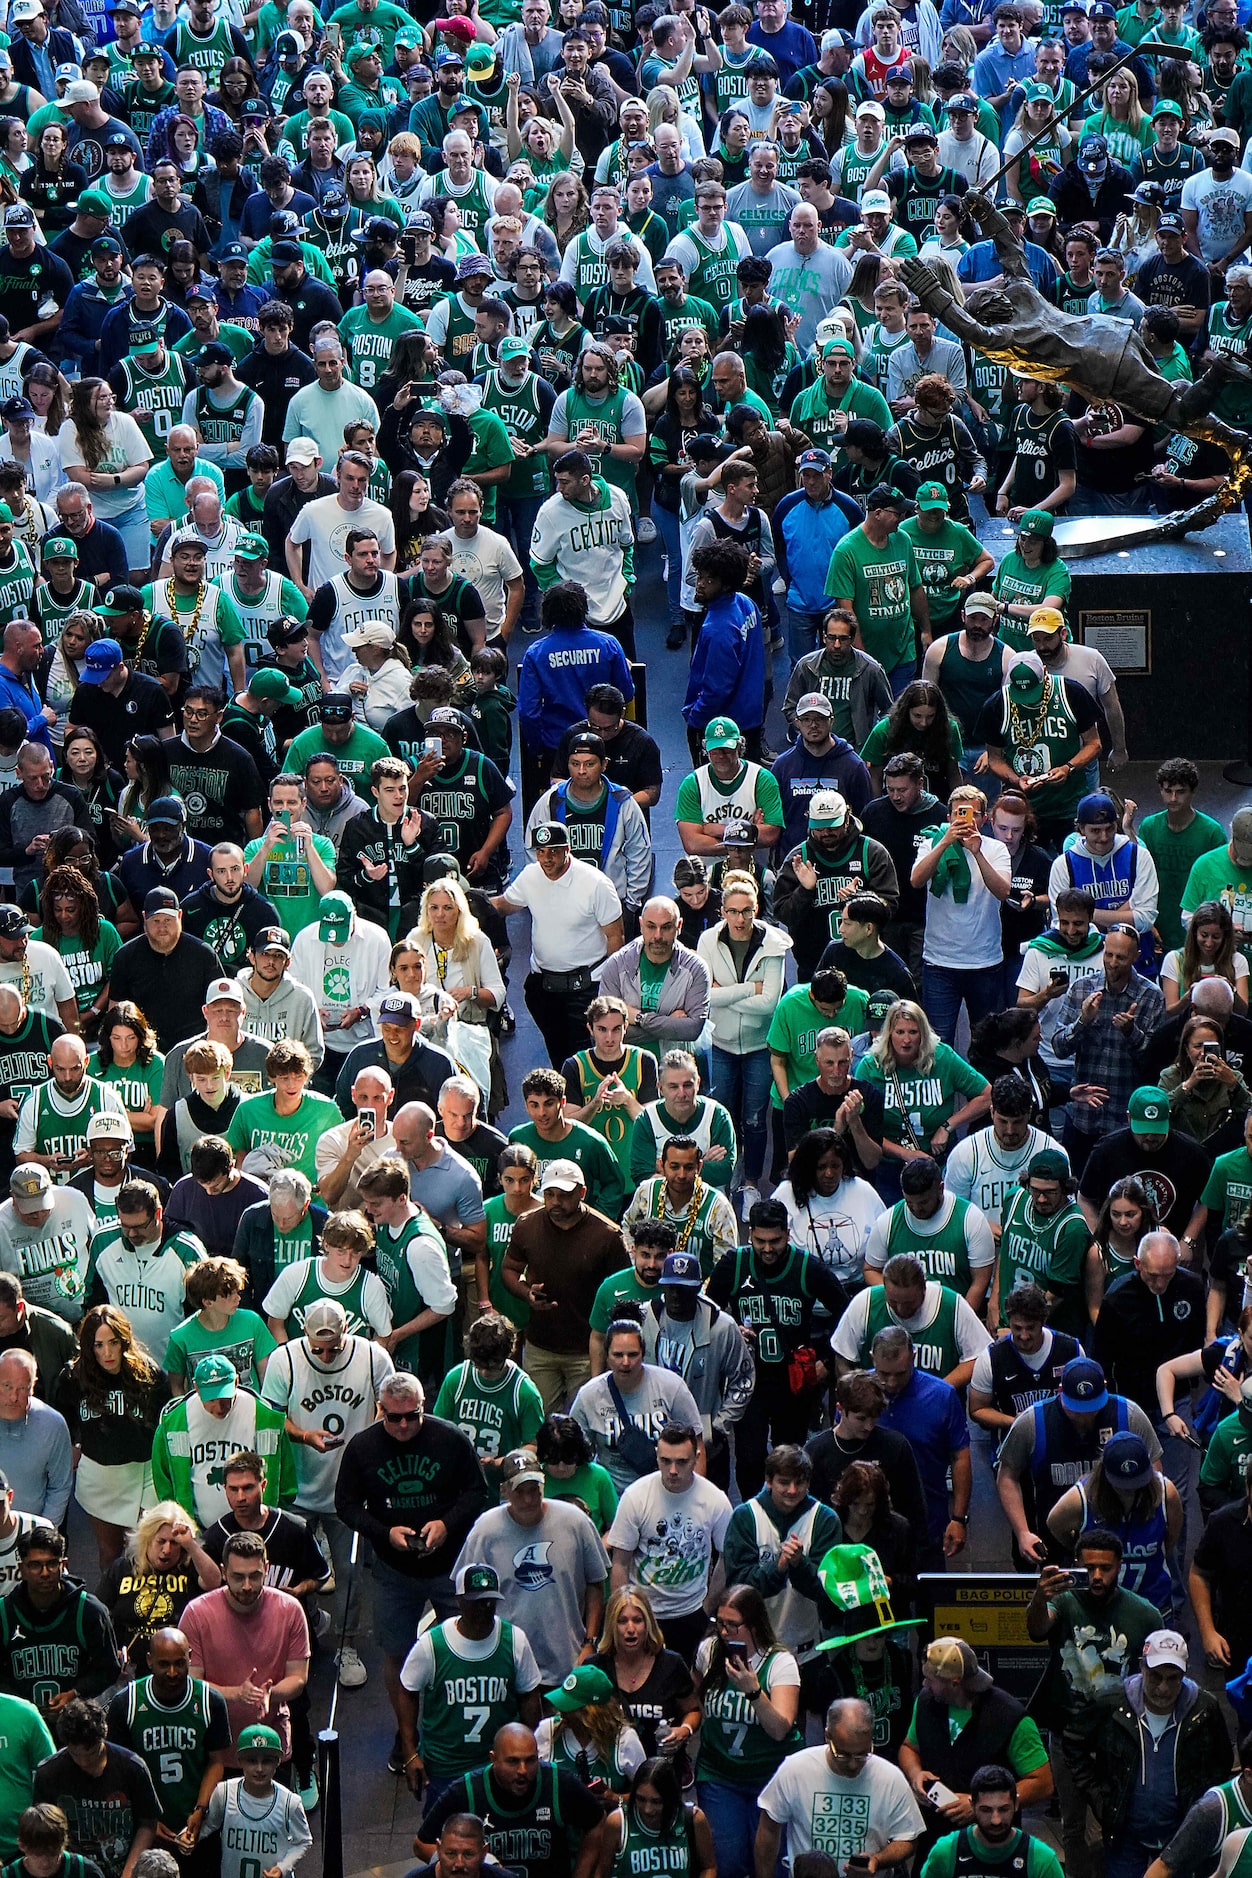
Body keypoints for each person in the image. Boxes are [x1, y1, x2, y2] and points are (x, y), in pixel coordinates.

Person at [996, 1355, 1162, 1568]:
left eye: (1092, 1408)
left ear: (1104, 1387)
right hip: (1056, 1536)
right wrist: (1023, 1533)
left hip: (1121, 1540)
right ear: (1060, 1391)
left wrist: (1149, 1527)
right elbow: (1007, 1476)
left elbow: (1155, 1475)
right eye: (1076, 1410)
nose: (1085, 1417)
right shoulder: (1032, 1422)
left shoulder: (1129, 1416)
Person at [178, 1528, 310, 1777]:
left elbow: (298, 1678)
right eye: (238, 1577)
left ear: (267, 1569)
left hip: (272, 1745)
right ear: (223, 1572)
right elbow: (191, 1685)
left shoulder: (290, 1610)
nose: (247, 1586)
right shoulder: (197, 1613)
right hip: (217, 1750)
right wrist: (237, 1694)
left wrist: (269, 1693)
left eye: (255, 1576)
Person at [54, 1304, 171, 1572]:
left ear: (124, 1341)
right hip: (100, 1474)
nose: (107, 1352)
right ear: (88, 1346)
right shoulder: (74, 1377)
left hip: (144, 1470)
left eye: (113, 1342)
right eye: (98, 1345)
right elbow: (65, 1416)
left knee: (145, 1548)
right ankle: (112, 1610)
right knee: (110, 1553)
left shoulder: (148, 1374)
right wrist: (76, 1444)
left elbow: (165, 1420)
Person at [755, 1695, 924, 1876]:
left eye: (862, 1754)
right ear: (827, 1736)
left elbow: (909, 1838)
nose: (853, 1764)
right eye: (843, 1754)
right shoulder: (795, 1770)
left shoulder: (890, 1778)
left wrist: (878, 1860)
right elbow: (769, 1828)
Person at [104, 1624, 231, 1861]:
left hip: (198, 1824)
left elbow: (216, 1762)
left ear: (190, 1658)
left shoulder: (210, 1701)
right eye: (164, 1664)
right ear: (150, 1660)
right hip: (144, 1826)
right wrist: (147, 1818)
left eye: (179, 1663)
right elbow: (119, 1772)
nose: (172, 1672)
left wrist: (200, 1810)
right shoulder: (126, 1704)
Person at [30, 1697, 161, 1878]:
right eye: (76, 1754)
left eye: (91, 1753)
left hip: (122, 1866)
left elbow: (147, 1824)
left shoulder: (132, 1767)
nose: (84, 1761)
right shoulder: (48, 1773)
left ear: (103, 1736)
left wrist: (129, 1873)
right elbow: (45, 1831)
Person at [0, 1525, 121, 1712]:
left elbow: (109, 1669)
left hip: (77, 1719)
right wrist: (23, 1707)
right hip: (19, 1718)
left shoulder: (89, 1610)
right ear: (21, 1569)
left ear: (63, 1565)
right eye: (35, 1565)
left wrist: (76, 1693)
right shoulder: (4, 1613)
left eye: (52, 1564)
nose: (45, 1573)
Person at [97, 1510, 220, 1677]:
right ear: (147, 1540)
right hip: (129, 1668)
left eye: (174, 1543)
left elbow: (214, 1582)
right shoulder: (122, 1568)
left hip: (175, 1669)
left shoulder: (189, 1569)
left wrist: (190, 1545)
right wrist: (109, 1650)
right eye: (161, 1542)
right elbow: (98, 1614)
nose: (167, 1550)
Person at [919, 1763, 1066, 1878]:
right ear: (972, 1806)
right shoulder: (945, 1853)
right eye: (986, 1810)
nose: (996, 1820)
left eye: (1003, 1809)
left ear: (1016, 1804)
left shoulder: (1042, 1861)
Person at [0, 1349, 73, 1524]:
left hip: (30, 1532)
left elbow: (60, 1486)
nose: (13, 1397)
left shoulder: (52, 1425)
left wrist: (43, 1533)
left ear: (33, 1386)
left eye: (22, 1388)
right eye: (7, 1386)